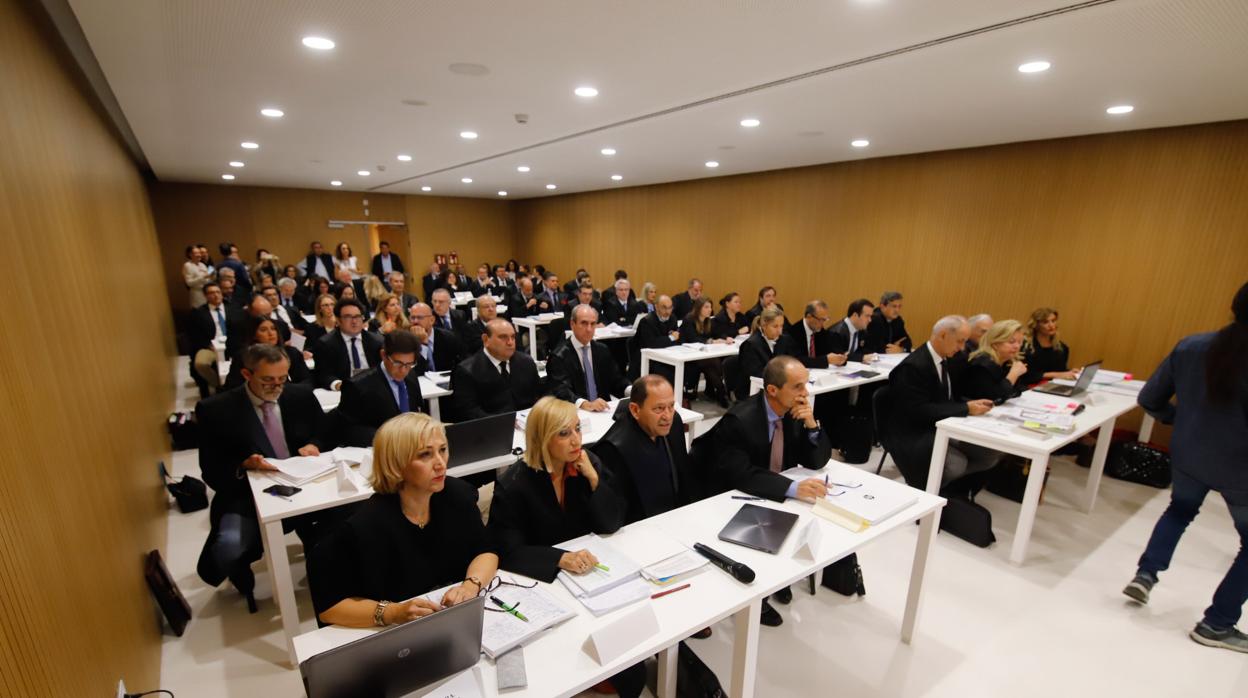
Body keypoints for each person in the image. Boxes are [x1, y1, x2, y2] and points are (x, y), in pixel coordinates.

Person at [1122, 282, 1248, 653]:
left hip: (1189, 453)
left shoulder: (1192, 346)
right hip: (1240, 467)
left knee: (1179, 511)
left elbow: (1150, 398)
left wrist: (1180, 419)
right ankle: (1217, 624)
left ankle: (1146, 574)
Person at [308, 413, 499, 627]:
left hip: (451, 620)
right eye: (425, 454)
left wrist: (470, 586)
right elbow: (330, 607)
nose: (440, 463)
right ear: (396, 464)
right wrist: (392, 612)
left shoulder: (458, 496)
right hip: (394, 632)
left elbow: (486, 551)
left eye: (443, 450)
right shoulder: (363, 525)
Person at [694, 355, 831, 626]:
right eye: (798, 386)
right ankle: (756, 595)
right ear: (772, 390)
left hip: (766, 485)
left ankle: (778, 577)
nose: (805, 393)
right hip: (727, 492)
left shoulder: (793, 410)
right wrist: (792, 487)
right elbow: (741, 475)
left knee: (800, 518)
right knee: (777, 518)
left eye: (806, 385)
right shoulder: (740, 420)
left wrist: (811, 425)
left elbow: (816, 461)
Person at [196, 344, 331, 612]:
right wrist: (243, 465)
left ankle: (322, 568)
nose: (277, 387)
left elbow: (324, 431)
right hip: (247, 495)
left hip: (306, 485)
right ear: (247, 374)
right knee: (229, 547)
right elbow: (211, 468)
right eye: (268, 380)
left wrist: (314, 444)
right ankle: (240, 577)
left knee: (340, 527)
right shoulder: (217, 409)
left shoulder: (300, 395)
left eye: (282, 379)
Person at [488, 396, 625, 582]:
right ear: (542, 439)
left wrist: (594, 479)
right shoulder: (514, 485)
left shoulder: (586, 463)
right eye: (564, 433)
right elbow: (507, 551)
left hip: (588, 567)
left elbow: (612, 523)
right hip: (541, 575)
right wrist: (560, 558)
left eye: (578, 428)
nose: (576, 441)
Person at [885, 316, 998, 493]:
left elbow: (948, 397)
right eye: (960, 341)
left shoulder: (948, 359)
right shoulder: (912, 367)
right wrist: (966, 408)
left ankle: (951, 490)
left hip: (940, 422)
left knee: (989, 454)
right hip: (914, 432)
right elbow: (918, 411)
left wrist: (969, 404)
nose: (962, 347)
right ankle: (932, 490)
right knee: (956, 464)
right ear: (943, 335)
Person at [336, 330, 427, 446]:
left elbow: (417, 411)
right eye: (397, 363)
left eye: (409, 364)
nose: (403, 370)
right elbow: (347, 430)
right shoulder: (357, 386)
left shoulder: (411, 375)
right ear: (383, 355)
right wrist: (387, 437)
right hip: (378, 448)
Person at [450, 319, 541, 420]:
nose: (510, 342)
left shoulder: (526, 362)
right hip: (491, 425)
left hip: (528, 422)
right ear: (486, 340)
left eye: (513, 337)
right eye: (503, 337)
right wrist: (503, 422)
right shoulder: (467, 371)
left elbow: (538, 395)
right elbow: (468, 411)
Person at [547, 304, 628, 411]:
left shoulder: (602, 350)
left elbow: (616, 380)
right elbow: (561, 390)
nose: (589, 329)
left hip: (603, 409)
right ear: (572, 324)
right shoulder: (559, 356)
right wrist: (585, 404)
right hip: (576, 411)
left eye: (593, 324)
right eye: (584, 323)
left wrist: (632, 390)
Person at [310, 298, 383, 390]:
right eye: (348, 317)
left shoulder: (377, 341)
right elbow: (323, 375)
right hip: (343, 389)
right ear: (338, 320)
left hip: (373, 387)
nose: (354, 321)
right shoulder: (325, 344)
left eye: (357, 316)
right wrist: (338, 385)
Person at [223, 315, 311, 389]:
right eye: (263, 330)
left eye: (273, 329)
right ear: (254, 335)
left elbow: (306, 382)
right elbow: (233, 387)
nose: (271, 333)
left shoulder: (291, 352)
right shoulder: (243, 357)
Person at [960, 320, 1028, 403]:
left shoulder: (1007, 362)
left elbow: (1016, 392)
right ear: (995, 343)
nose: (1017, 346)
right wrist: (1013, 374)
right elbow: (995, 398)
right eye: (1011, 342)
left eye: (1020, 342)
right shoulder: (981, 364)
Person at [678, 297, 730, 406]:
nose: (710, 309)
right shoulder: (689, 320)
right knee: (713, 362)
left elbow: (717, 333)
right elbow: (693, 338)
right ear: (699, 308)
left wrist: (725, 338)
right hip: (688, 354)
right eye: (706, 307)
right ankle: (721, 391)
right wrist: (711, 341)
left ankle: (719, 392)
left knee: (711, 364)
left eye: (710, 307)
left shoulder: (708, 320)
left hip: (702, 355)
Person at [738, 306, 801, 393]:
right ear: (764, 325)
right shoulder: (750, 345)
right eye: (775, 326)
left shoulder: (784, 340)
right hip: (756, 389)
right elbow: (755, 374)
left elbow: (793, 361)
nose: (779, 331)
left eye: (781, 326)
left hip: (778, 385)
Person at [188, 282, 234, 397]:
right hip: (210, 346)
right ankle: (219, 385)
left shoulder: (233, 308)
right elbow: (194, 335)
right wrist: (208, 345)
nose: (216, 295)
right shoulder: (198, 313)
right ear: (206, 296)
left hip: (233, 344)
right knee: (200, 363)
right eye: (211, 293)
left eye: (218, 292)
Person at [1019, 307, 1079, 385]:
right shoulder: (1024, 346)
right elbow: (1024, 375)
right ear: (1036, 325)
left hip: (1053, 385)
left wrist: (1070, 372)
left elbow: (1060, 371)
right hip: (1028, 387)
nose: (1051, 325)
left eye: (1053, 321)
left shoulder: (1062, 348)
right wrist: (1054, 375)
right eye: (1045, 322)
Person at [785, 300, 847, 369]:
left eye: (825, 320)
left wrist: (840, 358)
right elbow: (798, 359)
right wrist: (826, 360)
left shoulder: (820, 330)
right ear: (809, 316)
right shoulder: (793, 333)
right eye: (820, 320)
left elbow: (830, 347)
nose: (823, 323)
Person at [633, 294, 681, 381]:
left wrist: (673, 337)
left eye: (670, 308)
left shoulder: (673, 318)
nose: (668, 311)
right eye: (664, 308)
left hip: (666, 355)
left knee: (686, 368)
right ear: (656, 307)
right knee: (669, 373)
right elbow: (651, 343)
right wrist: (671, 338)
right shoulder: (647, 321)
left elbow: (676, 338)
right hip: (648, 359)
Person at [409, 302, 465, 374]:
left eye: (420, 317)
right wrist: (423, 345)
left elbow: (461, 363)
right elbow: (413, 372)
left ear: (432, 320)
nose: (415, 321)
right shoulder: (405, 341)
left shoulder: (448, 338)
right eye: (412, 318)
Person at [826, 299, 876, 363]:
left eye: (870, 316)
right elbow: (839, 356)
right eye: (867, 316)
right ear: (855, 315)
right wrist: (862, 357)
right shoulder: (836, 332)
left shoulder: (862, 330)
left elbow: (863, 350)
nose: (870, 320)